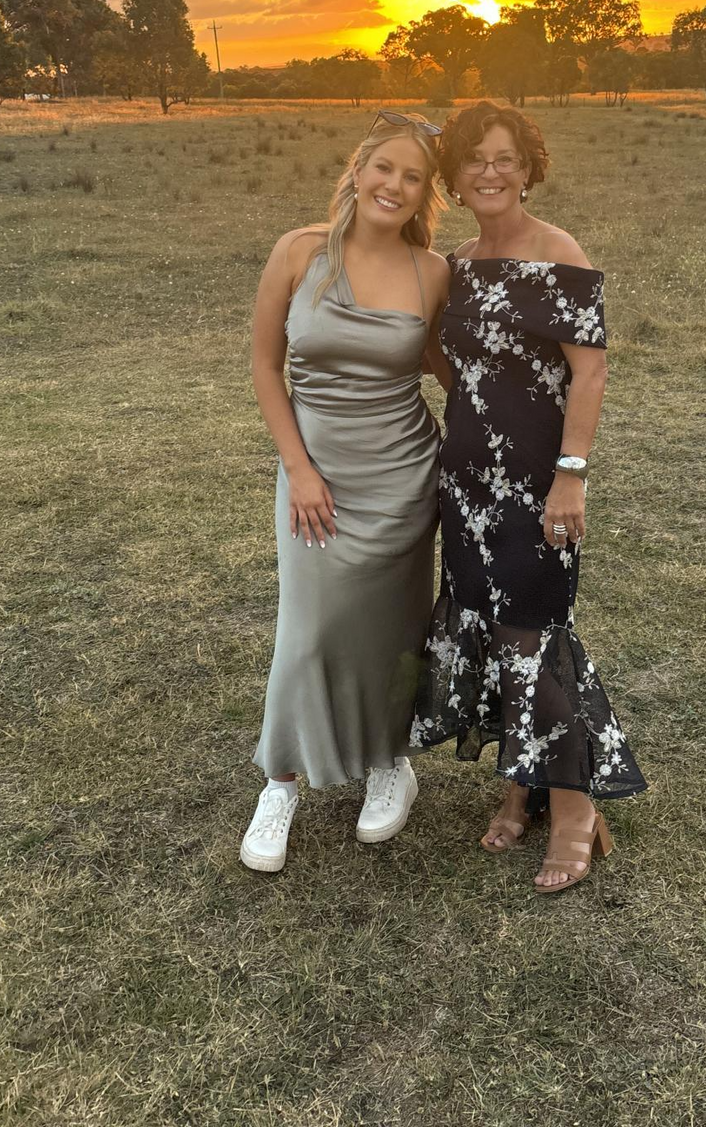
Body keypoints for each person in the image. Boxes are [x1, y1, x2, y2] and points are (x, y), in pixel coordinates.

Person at [411, 101, 645, 893]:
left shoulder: (557, 253)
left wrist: (570, 474)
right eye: (475, 158)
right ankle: (521, 783)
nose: (489, 171)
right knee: (488, 627)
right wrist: (475, 401)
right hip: (467, 482)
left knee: (535, 635)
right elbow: (444, 358)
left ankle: (574, 808)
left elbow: (591, 370)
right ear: (454, 173)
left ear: (528, 167)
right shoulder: (458, 262)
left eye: (505, 157)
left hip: (538, 485)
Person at [241, 112, 450, 873]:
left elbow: (449, 368)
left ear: (427, 192)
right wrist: (298, 468)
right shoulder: (299, 253)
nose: (395, 186)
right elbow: (267, 367)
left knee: (394, 627)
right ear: (358, 169)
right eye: (385, 168)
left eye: (414, 176)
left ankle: (392, 762)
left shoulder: (434, 273)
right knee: (309, 630)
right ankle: (281, 783)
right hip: (315, 479)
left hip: (402, 476)